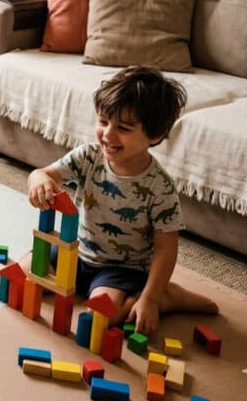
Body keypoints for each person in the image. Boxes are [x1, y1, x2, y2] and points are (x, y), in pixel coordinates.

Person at [24, 66, 218, 335]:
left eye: (123, 128)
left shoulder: (159, 187)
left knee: (97, 320)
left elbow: (166, 249)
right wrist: (39, 181)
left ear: (155, 135)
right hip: (76, 253)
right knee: (21, 275)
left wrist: (149, 299)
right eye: (103, 122)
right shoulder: (88, 156)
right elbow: (43, 173)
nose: (108, 134)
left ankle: (164, 297)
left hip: (121, 270)